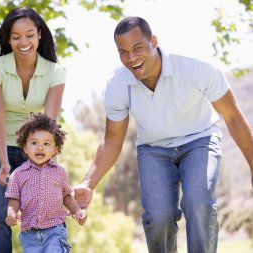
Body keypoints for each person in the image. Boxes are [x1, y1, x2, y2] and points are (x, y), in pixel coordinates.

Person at [74, 16, 253, 253]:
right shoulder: (118, 84)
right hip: (154, 149)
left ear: (154, 41)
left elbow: (233, 117)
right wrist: (89, 182)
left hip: (199, 139)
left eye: (137, 48)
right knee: (158, 217)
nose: (131, 58)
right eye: (123, 52)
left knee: (197, 204)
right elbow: (113, 140)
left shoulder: (193, 66)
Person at [0, 6, 66, 253]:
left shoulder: (55, 72)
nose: (22, 42)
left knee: (42, 215)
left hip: (33, 149)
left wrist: (49, 165)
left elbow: (48, 125)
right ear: (8, 39)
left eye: (29, 35)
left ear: (39, 35)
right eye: (15, 37)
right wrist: (4, 163)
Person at [4, 112, 86, 253]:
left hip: (55, 230)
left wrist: (77, 210)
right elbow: (14, 198)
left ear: (55, 149)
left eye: (46, 144)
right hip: (29, 233)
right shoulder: (18, 174)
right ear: (25, 147)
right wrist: (11, 213)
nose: (40, 147)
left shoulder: (59, 172)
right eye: (34, 143)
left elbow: (66, 195)